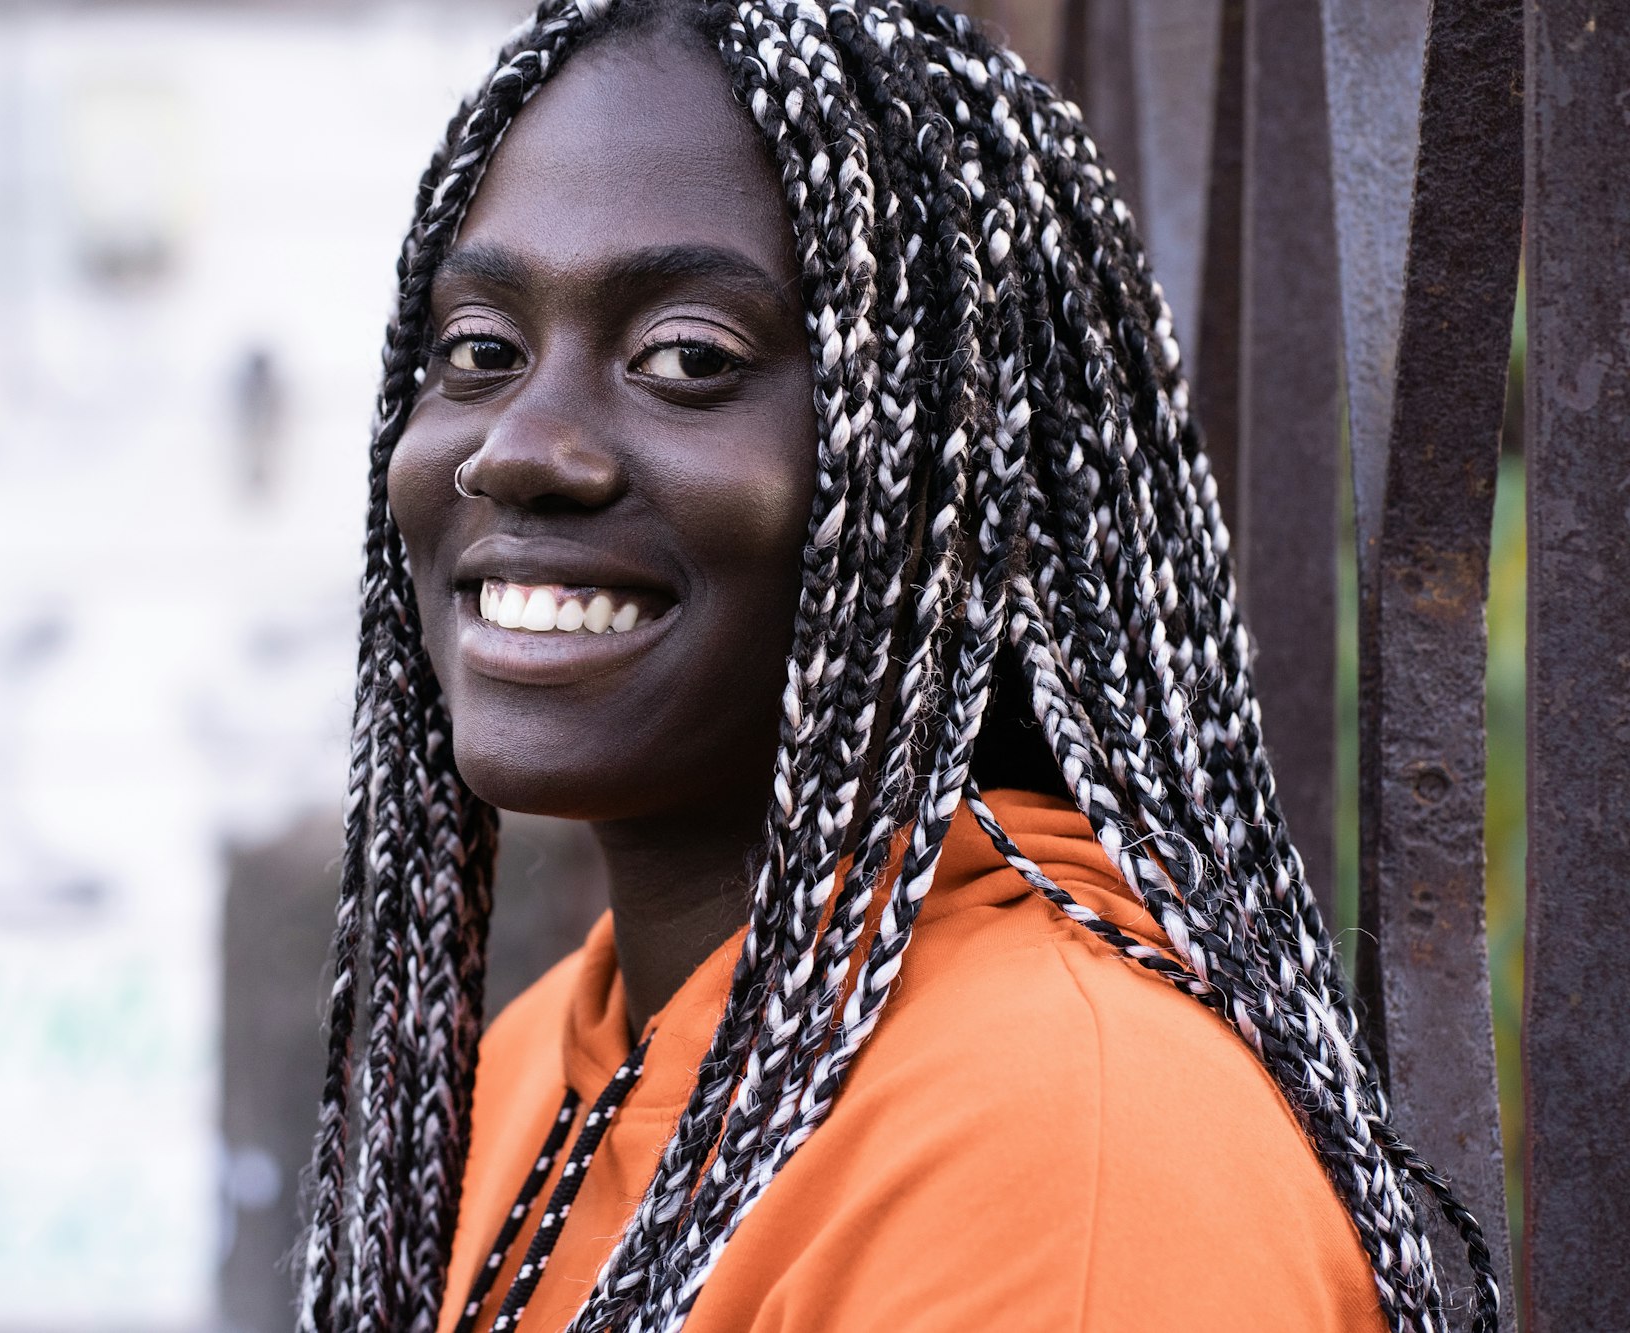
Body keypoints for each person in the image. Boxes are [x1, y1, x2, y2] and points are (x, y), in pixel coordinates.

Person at [298, 2, 1498, 1330]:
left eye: (689, 358)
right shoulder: (531, 1075)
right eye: (480, 350)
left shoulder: (1071, 1146)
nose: (519, 449)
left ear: (961, 473)